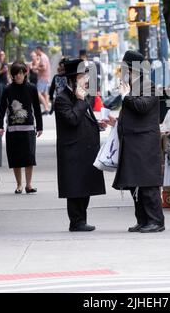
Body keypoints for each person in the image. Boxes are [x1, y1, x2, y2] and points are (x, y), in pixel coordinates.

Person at [106, 50, 165, 233]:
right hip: (131, 141)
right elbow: (131, 112)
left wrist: (125, 96)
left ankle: (156, 221)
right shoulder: (132, 88)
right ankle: (143, 220)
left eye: (126, 70)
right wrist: (117, 122)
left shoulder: (149, 86)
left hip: (145, 142)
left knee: (147, 184)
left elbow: (141, 107)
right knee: (134, 184)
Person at [54, 58, 106, 232]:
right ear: (73, 79)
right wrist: (80, 101)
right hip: (72, 151)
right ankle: (76, 221)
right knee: (75, 187)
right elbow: (72, 119)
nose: (86, 79)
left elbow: (83, 117)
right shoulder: (63, 98)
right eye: (82, 76)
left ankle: (81, 220)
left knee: (85, 186)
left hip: (86, 149)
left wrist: (97, 124)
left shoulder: (83, 96)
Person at [0, 62, 43, 194]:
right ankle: (19, 185)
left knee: (29, 158)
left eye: (20, 73)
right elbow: (1, 109)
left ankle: (29, 185)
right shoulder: (7, 89)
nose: (18, 76)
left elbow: (37, 108)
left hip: (28, 128)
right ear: (12, 75)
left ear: (25, 73)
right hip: (13, 129)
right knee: (15, 158)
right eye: (15, 74)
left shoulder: (32, 88)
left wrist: (40, 126)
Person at [35, 46, 51, 115]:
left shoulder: (43, 57)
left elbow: (44, 68)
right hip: (45, 78)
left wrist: (36, 68)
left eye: (36, 50)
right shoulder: (44, 56)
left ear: (39, 50)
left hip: (43, 78)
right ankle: (47, 109)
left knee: (38, 93)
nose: (36, 52)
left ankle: (46, 108)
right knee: (45, 94)